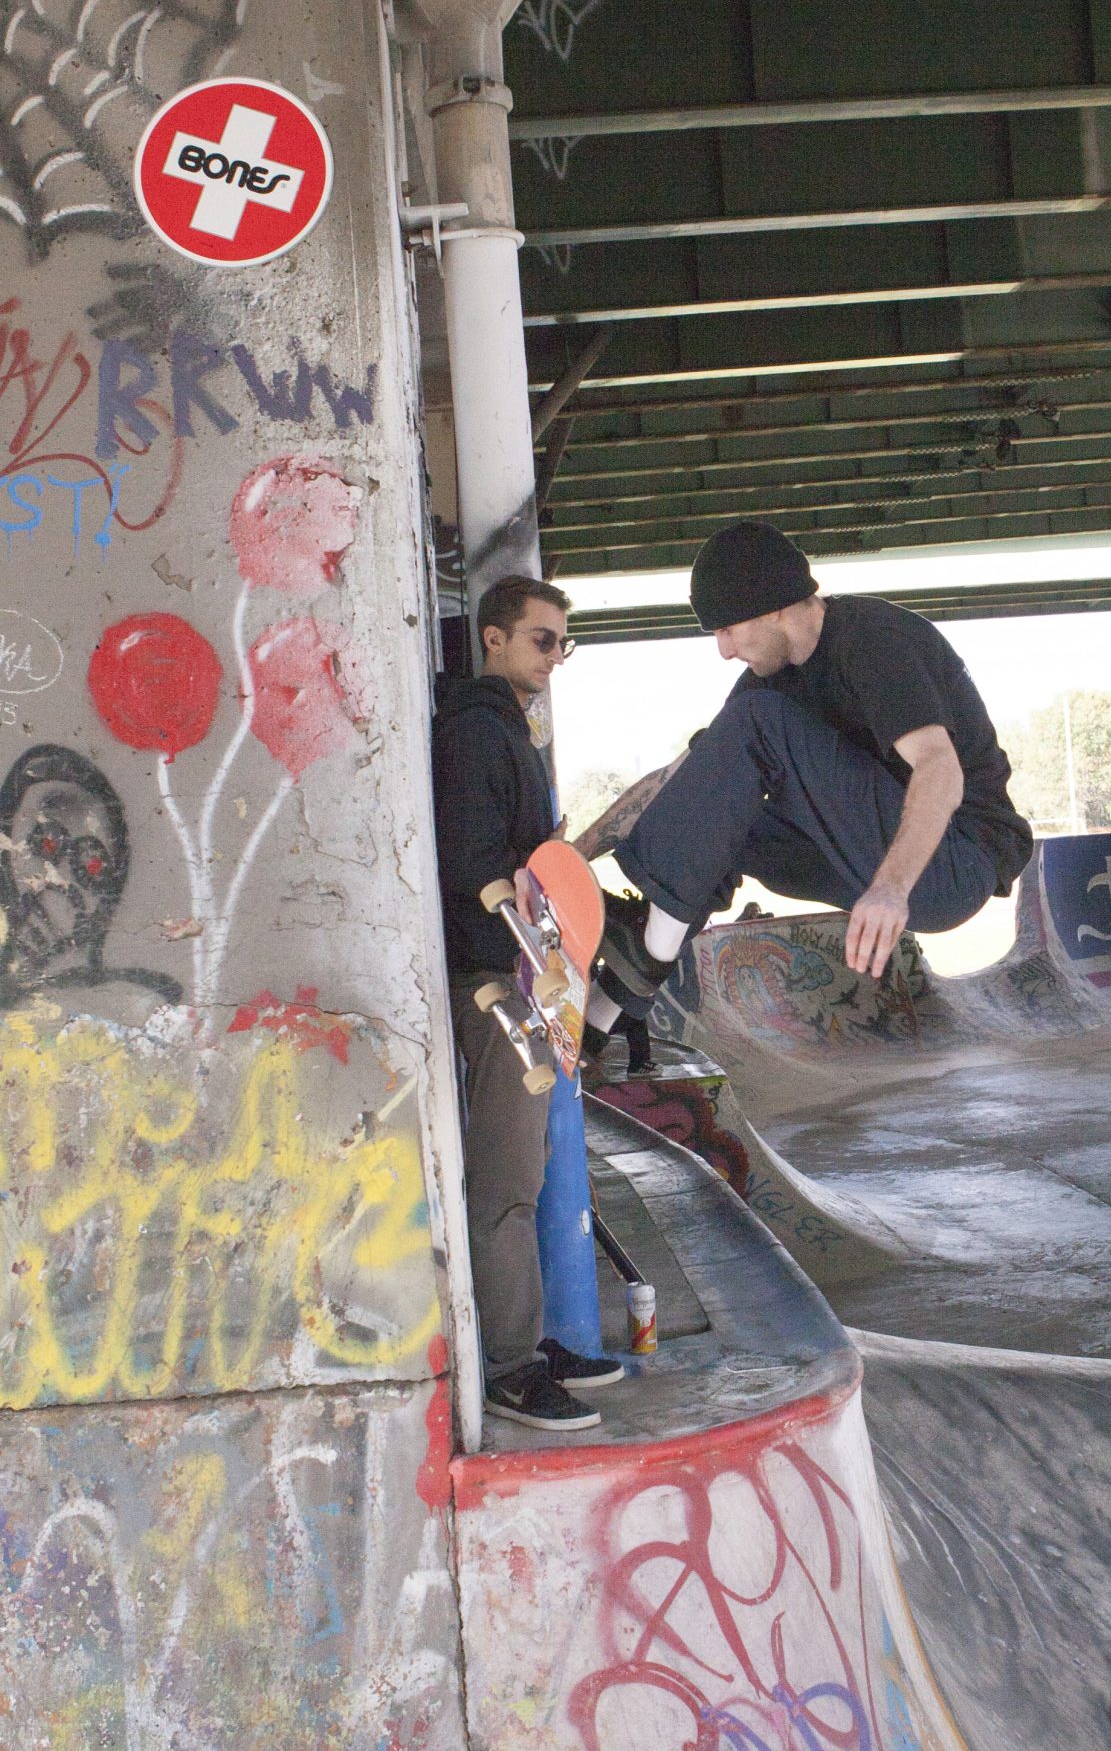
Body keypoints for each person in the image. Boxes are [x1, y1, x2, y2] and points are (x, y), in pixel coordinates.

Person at [589, 521, 1034, 1030]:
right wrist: (575, 856)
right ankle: (602, 1019)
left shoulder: (871, 640)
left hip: (951, 862)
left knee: (757, 719)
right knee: (719, 808)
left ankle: (647, 947)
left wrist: (890, 889)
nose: (724, 651)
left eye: (728, 629)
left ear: (775, 607)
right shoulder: (767, 681)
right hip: (863, 861)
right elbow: (680, 776)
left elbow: (940, 770)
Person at [432, 575, 625, 1434]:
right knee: (507, 1181)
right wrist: (534, 916)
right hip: (498, 983)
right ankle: (511, 1368)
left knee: (530, 1174)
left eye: (563, 644)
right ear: (495, 639)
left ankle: (528, 1344)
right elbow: (473, 864)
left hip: (520, 977)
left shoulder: (507, 728)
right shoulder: (477, 732)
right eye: (542, 640)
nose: (554, 656)